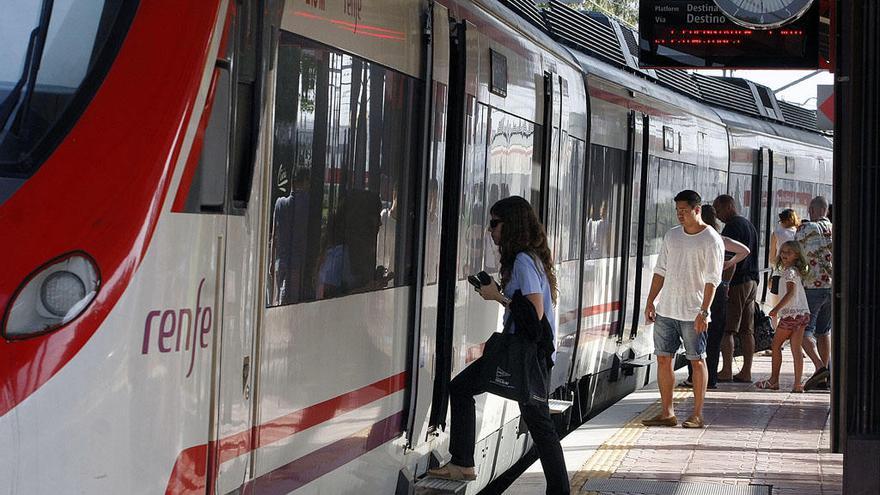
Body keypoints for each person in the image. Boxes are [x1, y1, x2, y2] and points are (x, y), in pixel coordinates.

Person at [429, 196, 569, 494]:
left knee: (535, 421)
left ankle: (464, 463)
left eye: (495, 223)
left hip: (523, 353)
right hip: (529, 352)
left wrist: (497, 296)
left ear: (511, 225)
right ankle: (464, 462)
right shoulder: (530, 257)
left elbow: (534, 314)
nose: (490, 230)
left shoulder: (522, 260)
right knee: (538, 422)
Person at [642, 190, 724, 429]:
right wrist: (650, 301)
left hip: (693, 312)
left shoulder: (711, 239)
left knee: (697, 360)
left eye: (684, 211)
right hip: (667, 309)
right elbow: (660, 271)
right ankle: (667, 412)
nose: (679, 215)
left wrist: (705, 311)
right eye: (677, 210)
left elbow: (713, 279)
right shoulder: (672, 236)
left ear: (697, 210)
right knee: (663, 358)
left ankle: (697, 414)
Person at [679, 204, 750, 390]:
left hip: (700, 292)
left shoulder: (696, 239)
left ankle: (694, 378)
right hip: (719, 292)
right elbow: (745, 251)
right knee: (714, 337)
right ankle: (710, 379)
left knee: (695, 336)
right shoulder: (720, 239)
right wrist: (729, 263)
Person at [713, 194, 759, 382]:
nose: (717, 215)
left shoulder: (732, 227)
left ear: (729, 206)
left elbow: (729, 260)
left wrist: (725, 285)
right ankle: (746, 372)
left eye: (718, 210)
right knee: (747, 330)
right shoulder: (748, 225)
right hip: (752, 281)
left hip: (738, 282)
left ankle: (726, 370)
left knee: (728, 329)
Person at [754, 241, 811, 392]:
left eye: (789, 252)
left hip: (790, 315)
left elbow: (790, 293)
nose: (784, 255)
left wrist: (776, 309)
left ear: (796, 255)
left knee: (776, 345)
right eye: (783, 251)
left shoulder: (789, 272)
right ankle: (798, 384)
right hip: (802, 313)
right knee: (796, 348)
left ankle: (774, 380)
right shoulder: (795, 271)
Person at [797, 196, 833, 391]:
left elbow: (795, 253)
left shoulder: (805, 229)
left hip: (812, 286)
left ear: (811, 209)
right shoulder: (835, 228)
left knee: (801, 330)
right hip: (832, 287)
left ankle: (819, 368)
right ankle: (824, 376)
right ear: (826, 211)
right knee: (824, 331)